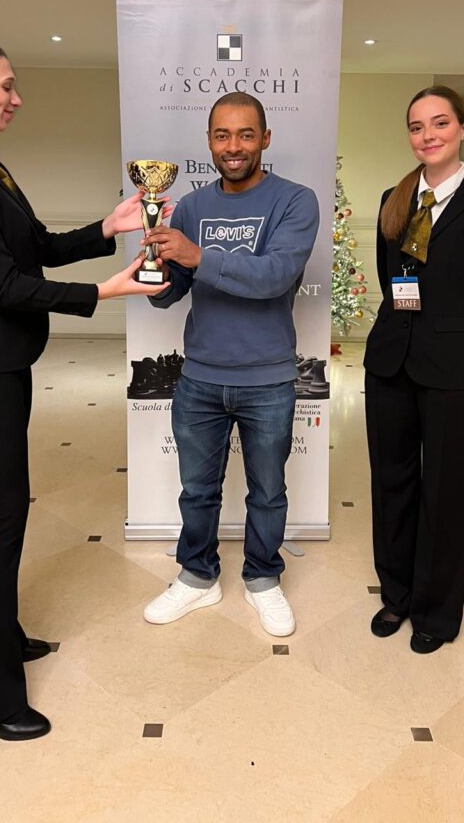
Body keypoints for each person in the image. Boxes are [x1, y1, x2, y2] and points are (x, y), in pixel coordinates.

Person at [0, 36, 167, 740]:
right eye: (6, 85)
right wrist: (105, 292)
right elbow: (4, 284)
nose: (16, 98)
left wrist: (106, 227)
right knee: (3, 510)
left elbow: (34, 247)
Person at [141, 92, 319, 637]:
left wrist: (197, 255)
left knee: (267, 492)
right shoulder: (190, 208)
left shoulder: (296, 200)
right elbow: (174, 292)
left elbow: (275, 277)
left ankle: (263, 578)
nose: (233, 146)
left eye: (245, 134)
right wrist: (154, 271)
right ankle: (198, 576)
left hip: (267, 378)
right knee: (197, 490)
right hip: (200, 377)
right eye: (222, 135)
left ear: (265, 138)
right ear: (209, 142)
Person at [363, 85, 464, 653]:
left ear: (463, 128)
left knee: (446, 491)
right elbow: (391, 282)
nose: (427, 135)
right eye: (416, 126)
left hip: (452, 372)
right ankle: (397, 594)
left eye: (439, 123)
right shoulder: (394, 198)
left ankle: (437, 611)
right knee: (393, 483)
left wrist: (462, 346)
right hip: (389, 364)